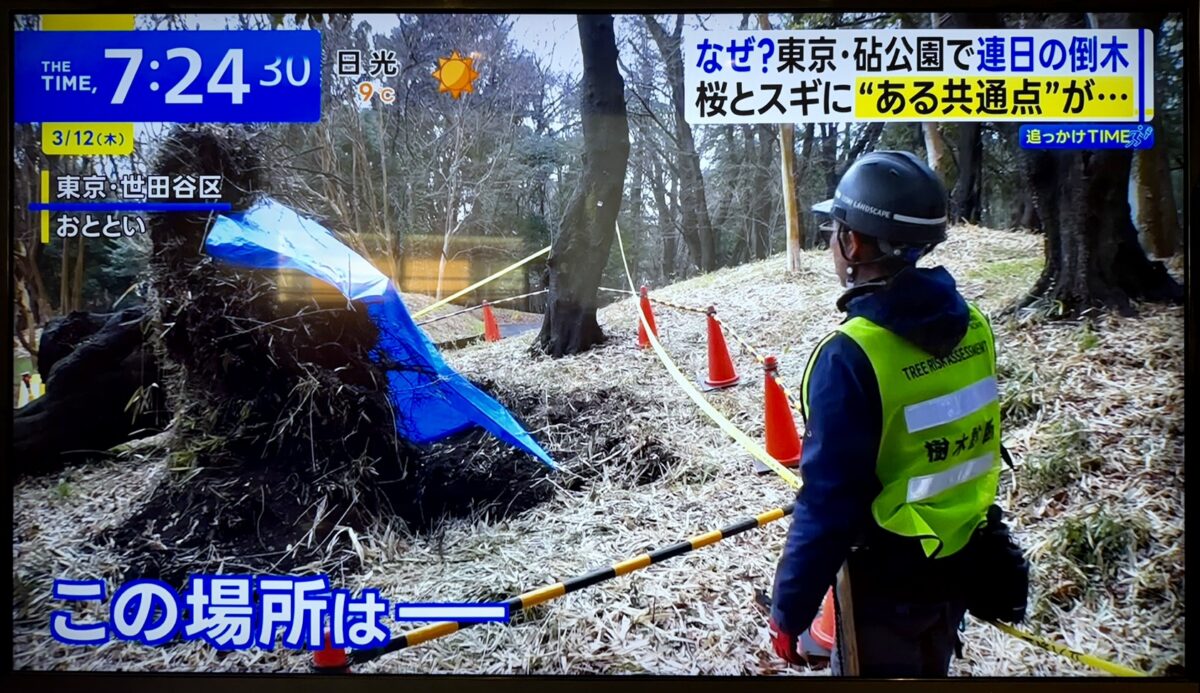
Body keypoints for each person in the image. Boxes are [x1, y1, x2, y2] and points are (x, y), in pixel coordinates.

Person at [768, 151, 1027, 676]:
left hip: (887, 580)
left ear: (854, 242)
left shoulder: (849, 357)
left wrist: (789, 611)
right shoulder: (973, 323)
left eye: (834, 229)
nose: (832, 243)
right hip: (962, 553)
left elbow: (829, 504)